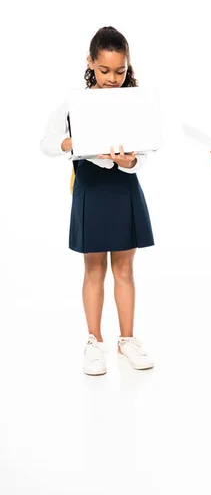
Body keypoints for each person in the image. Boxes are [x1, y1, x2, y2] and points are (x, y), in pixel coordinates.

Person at [40, 26, 155, 376]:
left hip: (124, 188)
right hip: (90, 188)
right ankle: (94, 341)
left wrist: (129, 161)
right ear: (91, 63)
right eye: (104, 70)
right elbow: (47, 142)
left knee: (124, 269)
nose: (112, 78)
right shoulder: (73, 104)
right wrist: (74, 143)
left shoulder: (134, 100)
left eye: (120, 71)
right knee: (93, 269)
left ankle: (127, 340)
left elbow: (144, 152)